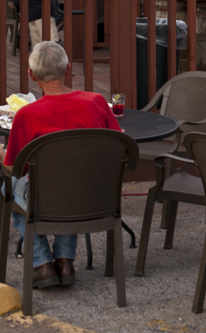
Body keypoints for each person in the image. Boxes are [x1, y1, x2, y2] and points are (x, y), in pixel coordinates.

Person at [0, 41, 122, 289]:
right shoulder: (96, 102)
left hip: (47, 199)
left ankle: (42, 263)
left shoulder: (27, 115)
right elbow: (119, 146)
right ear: (68, 69)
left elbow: (15, 169)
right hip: (94, 195)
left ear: (31, 75)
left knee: (8, 189)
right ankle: (65, 262)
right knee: (72, 179)